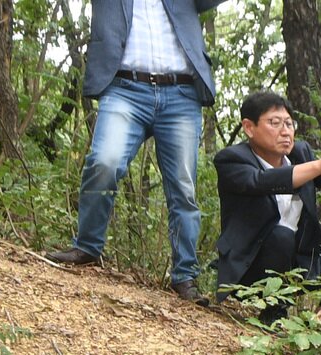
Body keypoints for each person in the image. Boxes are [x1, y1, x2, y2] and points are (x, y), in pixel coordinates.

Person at [45, 0, 225, 305]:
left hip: (181, 93)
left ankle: (185, 276)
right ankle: (87, 247)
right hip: (124, 88)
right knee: (104, 161)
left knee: (183, 186)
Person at [213, 92, 321, 311]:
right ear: (249, 127)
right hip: (250, 267)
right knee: (281, 235)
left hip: (300, 261)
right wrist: (320, 164)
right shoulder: (232, 159)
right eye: (275, 123)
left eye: (289, 123)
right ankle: (273, 314)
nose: (285, 131)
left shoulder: (299, 153)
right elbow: (261, 181)